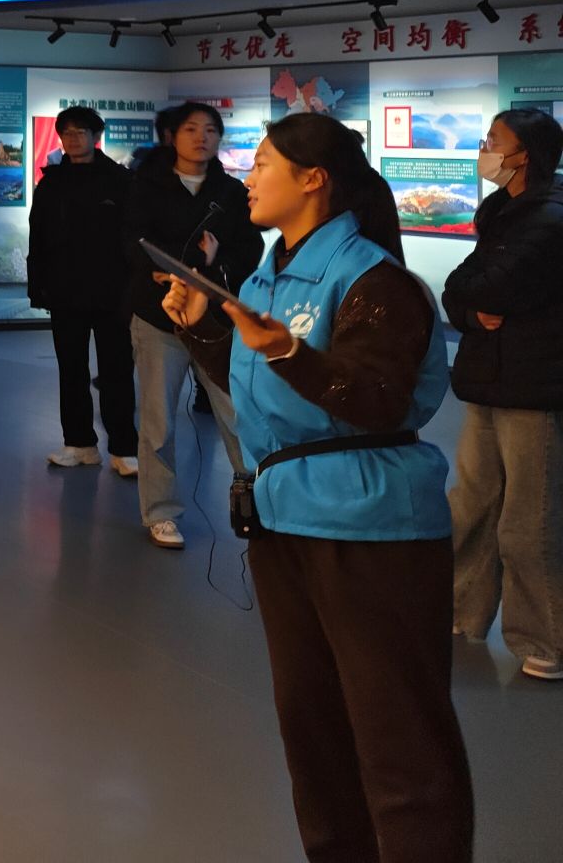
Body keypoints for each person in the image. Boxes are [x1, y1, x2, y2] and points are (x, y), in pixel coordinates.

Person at [161, 113, 471, 862]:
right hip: (285, 518)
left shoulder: (377, 280)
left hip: (371, 527)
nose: (248, 175)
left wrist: (291, 352)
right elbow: (266, 391)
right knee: (312, 728)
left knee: (398, 734)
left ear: (313, 180)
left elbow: (379, 400)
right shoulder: (269, 273)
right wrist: (203, 329)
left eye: (264, 162)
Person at [443, 107, 563, 681]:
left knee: (528, 521)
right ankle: (463, 612)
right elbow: (457, 290)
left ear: (524, 155)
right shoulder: (501, 212)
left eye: (494, 140)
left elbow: (492, 286)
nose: (485, 149)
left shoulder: (548, 218)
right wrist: (470, 311)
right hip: (491, 377)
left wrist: (472, 301)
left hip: (534, 385)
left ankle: (544, 640)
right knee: (472, 503)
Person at [124, 101, 261, 550]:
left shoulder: (231, 191)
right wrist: (161, 268)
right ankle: (160, 512)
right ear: (172, 136)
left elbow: (249, 248)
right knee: (159, 421)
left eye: (210, 130)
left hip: (214, 318)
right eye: (190, 129)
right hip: (158, 314)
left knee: (236, 413)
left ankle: (258, 501)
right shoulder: (145, 185)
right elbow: (130, 241)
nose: (201, 137)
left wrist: (215, 262)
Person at [28, 106, 138, 473]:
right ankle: (79, 444)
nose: (73, 139)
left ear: (96, 136)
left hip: (112, 293)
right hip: (65, 291)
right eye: (67, 133)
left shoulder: (120, 181)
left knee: (116, 371)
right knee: (70, 370)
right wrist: (38, 286)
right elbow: (38, 237)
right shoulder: (52, 183)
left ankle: (124, 448)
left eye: (81, 132)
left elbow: (133, 238)